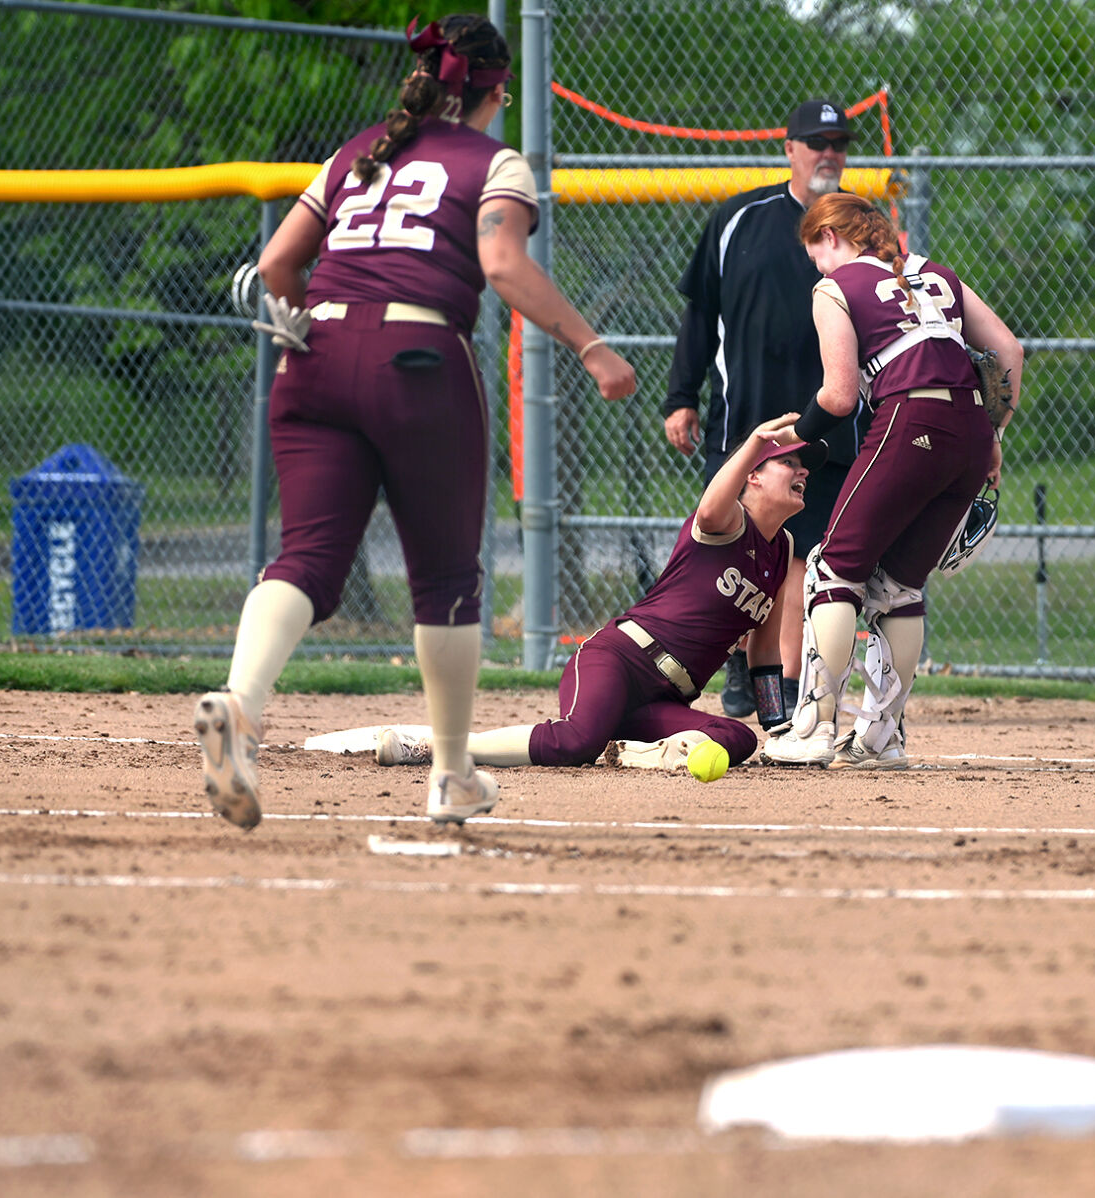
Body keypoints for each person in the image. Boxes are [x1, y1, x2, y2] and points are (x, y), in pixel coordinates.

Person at [193, 14, 636, 830]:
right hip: (418, 356)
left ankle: (241, 709)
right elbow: (502, 264)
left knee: (307, 558)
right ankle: (449, 775)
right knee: (443, 580)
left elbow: (275, 267)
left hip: (313, 349)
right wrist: (591, 346)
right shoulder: (494, 161)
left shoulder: (359, 150)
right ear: (497, 90)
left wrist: (309, 329)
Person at [374, 416, 822, 774]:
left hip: (664, 700)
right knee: (575, 741)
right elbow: (708, 507)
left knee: (737, 739)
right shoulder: (728, 521)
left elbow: (763, 650)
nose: (803, 471)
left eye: (803, 467)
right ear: (754, 477)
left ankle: (628, 752)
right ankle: (437, 747)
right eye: (788, 463)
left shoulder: (782, 551)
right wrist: (755, 443)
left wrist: (777, 726)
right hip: (620, 659)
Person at [764, 193, 1022, 770]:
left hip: (911, 420)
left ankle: (812, 729)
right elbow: (1008, 350)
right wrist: (995, 434)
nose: (820, 270)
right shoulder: (936, 273)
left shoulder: (835, 287)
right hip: (970, 434)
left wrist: (796, 435)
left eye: (817, 255)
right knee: (898, 587)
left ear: (829, 236)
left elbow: (837, 394)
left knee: (832, 571)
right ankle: (881, 741)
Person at [663, 98, 870, 723]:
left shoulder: (861, 226)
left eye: (838, 143)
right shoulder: (738, 219)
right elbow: (700, 315)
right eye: (816, 142)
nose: (829, 153)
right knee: (737, 558)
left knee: (814, 564)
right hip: (745, 424)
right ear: (790, 149)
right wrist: (681, 396)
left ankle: (793, 693)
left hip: (835, 426)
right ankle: (742, 676)